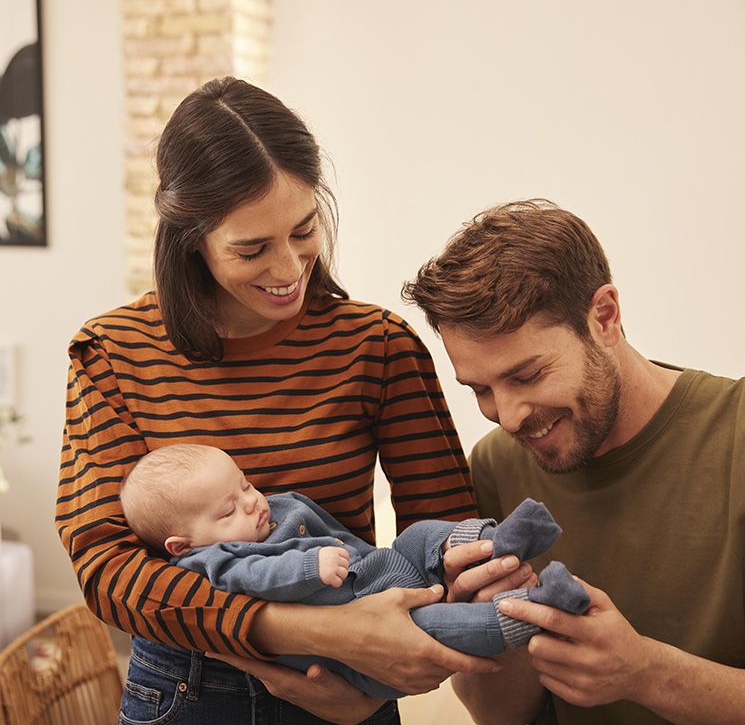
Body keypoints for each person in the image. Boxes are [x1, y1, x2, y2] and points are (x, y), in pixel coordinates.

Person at [56, 77, 528, 725]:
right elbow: (108, 574)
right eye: (251, 248)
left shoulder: (378, 346)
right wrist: (319, 632)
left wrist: (374, 682)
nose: (287, 269)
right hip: (186, 692)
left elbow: (446, 546)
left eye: (303, 230)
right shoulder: (111, 353)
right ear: (190, 240)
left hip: (350, 696)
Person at [401, 198, 745, 725]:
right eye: (481, 389)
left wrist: (647, 673)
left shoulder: (735, 433)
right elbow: (501, 716)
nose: (509, 417)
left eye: (528, 375)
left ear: (604, 317)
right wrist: (507, 627)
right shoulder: (495, 466)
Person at [119, 443, 590, 699]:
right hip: (363, 647)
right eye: (228, 511)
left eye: (245, 484)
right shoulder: (210, 562)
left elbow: (333, 529)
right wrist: (309, 565)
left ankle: (500, 539)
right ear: (182, 545)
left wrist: (385, 557)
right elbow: (255, 581)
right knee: (444, 629)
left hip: (379, 571)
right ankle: (535, 610)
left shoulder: (268, 511)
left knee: (424, 534)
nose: (251, 502)